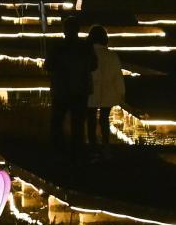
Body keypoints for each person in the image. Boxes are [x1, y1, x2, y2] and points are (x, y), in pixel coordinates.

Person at [44, 17, 97, 160]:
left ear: (64, 30)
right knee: (78, 123)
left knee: (57, 121)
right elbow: (94, 65)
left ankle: (58, 149)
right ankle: (77, 151)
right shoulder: (86, 46)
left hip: (61, 89)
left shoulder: (57, 46)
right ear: (78, 30)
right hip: (80, 89)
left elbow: (48, 66)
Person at [86, 25, 124, 153]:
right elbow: (117, 77)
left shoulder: (87, 55)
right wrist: (121, 93)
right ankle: (106, 144)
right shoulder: (112, 55)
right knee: (104, 119)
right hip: (108, 93)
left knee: (91, 119)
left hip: (90, 92)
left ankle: (92, 145)